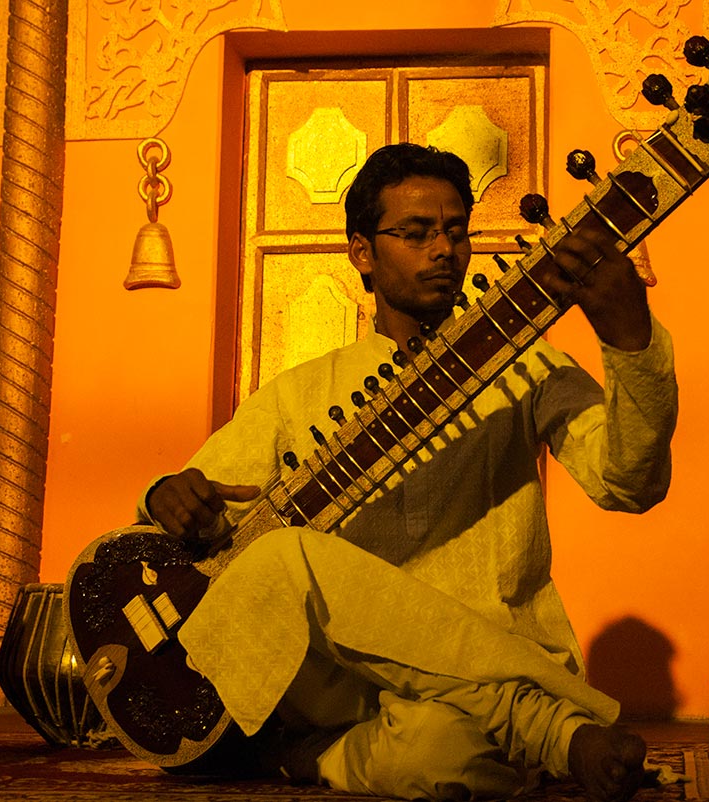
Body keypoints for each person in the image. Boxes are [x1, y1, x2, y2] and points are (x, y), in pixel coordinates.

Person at [139, 143, 678, 801]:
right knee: (283, 556)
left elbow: (628, 482)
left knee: (440, 758)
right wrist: (167, 493)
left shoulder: (527, 368)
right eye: (416, 233)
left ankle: (311, 755)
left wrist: (631, 342)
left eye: (456, 232)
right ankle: (553, 734)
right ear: (362, 253)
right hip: (354, 686)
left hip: (496, 656)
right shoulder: (298, 395)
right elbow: (193, 513)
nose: (444, 250)